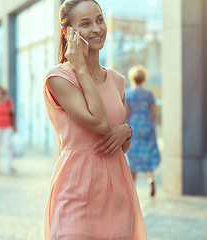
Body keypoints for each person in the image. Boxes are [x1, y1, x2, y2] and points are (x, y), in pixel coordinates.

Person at [43, 0, 147, 239]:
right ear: (68, 32)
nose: (97, 28)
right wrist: (80, 67)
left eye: (99, 19)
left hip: (116, 192)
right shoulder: (58, 78)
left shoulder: (117, 80)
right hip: (75, 190)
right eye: (86, 23)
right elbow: (99, 123)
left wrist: (126, 131)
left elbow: (119, 145)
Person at [125, 65, 161, 197]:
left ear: (132, 78)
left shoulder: (128, 94)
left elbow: (126, 113)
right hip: (147, 129)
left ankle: (132, 189)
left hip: (133, 129)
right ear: (144, 79)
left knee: (132, 158)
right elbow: (154, 113)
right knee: (148, 156)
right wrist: (152, 126)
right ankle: (151, 180)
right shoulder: (148, 94)